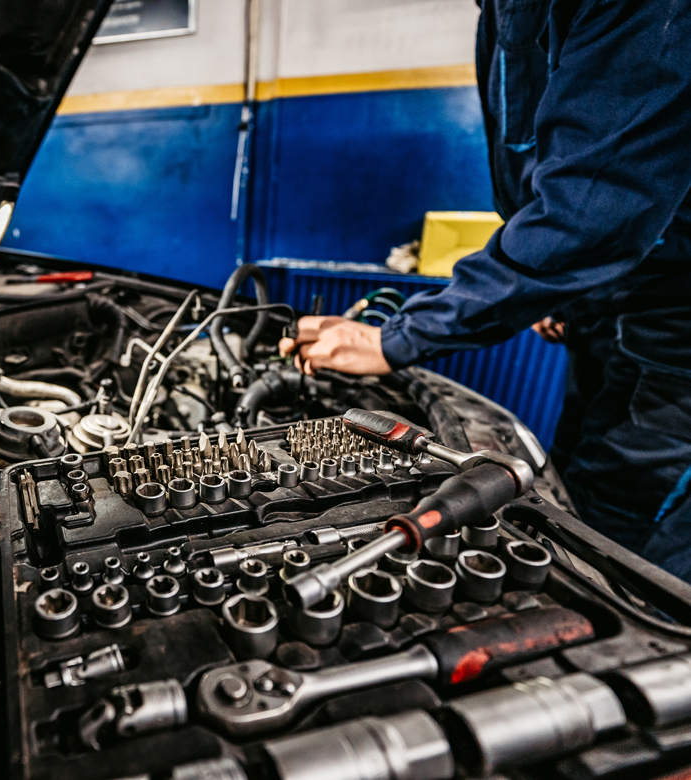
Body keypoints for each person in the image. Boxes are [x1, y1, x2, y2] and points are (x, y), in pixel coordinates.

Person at [280, 0, 691, 580]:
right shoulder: (500, 9)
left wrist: (395, 339)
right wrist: (557, 285)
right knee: (575, 499)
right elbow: (551, 175)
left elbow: (592, 207)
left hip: (674, 331)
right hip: (606, 300)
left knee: (622, 543)